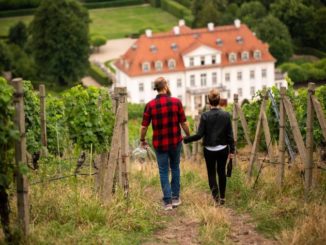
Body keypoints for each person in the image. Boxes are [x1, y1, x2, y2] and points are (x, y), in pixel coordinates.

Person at [140, 77, 190, 211]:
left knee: (163, 170)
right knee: (175, 168)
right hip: (175, 141)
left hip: (160, 143)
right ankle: (175, 198)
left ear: (156, 88)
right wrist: (189, 134)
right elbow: (184, 123)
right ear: (166, 86)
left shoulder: (150, 105)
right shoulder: (176, 102)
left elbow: (144, 126)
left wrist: (142, 139)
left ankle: (167, 202)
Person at [184, 89, 234, 205]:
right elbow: (230, 135)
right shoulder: (226, 115)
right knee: (221, 172)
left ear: (208, 101)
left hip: (209, 150)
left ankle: (216, 199)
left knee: (211, 173)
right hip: (223, 149)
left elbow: (199, 135)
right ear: (219, 100)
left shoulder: (205, 116)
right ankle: (222, 197)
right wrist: (232, 150)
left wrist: (185, 139)